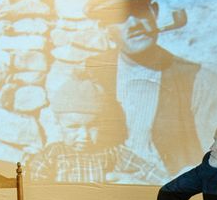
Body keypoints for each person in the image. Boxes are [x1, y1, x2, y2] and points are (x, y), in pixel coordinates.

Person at [83, 0, 217, 177]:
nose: (134, 24)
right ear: (105, 28)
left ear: (155, 12)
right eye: (119, 17)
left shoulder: (199, 81)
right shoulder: (92, 75)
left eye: (140, 11)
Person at [25, 77, 168, 184]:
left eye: (92, 126)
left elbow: (153, 174)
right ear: (58, 125)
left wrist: (135, 182)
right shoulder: (52, 155)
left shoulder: (114, 153)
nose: (84, 136)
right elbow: (34, 188)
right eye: (73, 127)